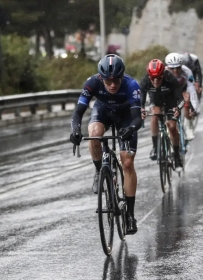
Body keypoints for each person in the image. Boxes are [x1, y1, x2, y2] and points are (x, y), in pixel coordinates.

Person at [69, 54, 141, 235]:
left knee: (127, 162)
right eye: (108, 81)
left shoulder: (131, 85)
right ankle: (99, 170)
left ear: (122, 76)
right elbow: (78, 112)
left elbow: (137, 118)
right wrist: (76, 130)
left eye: (116, 79)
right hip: (103, 112)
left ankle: (130, 215)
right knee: (94, 135)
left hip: (126, 116)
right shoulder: (92, 83)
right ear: (101, 78)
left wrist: (131, 129)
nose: (113, 84)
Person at [140, 59, 184, 171]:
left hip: (170, 101)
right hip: (156, 100)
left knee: (172, 126)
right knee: (154, 115)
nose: (155, 81)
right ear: (148, 76)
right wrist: (141, 109)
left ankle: (177, 156)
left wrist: (178, 108)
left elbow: (180, 98)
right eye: (152, 78)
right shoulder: (145, 80)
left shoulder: (170, 79)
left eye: (159, 78)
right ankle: (155, 147)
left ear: (163, 74)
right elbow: (140, 99)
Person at [165, 53, 199, 141]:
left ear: (181, 66)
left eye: (178, 67)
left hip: (182, 90)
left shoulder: (187, 71)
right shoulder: (164, 72)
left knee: (187, 99)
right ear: (168, 67)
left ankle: (188, 128)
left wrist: (194, 108)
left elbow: (192, 90)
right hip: (169, 92)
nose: (175, 70)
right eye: (172, 68)